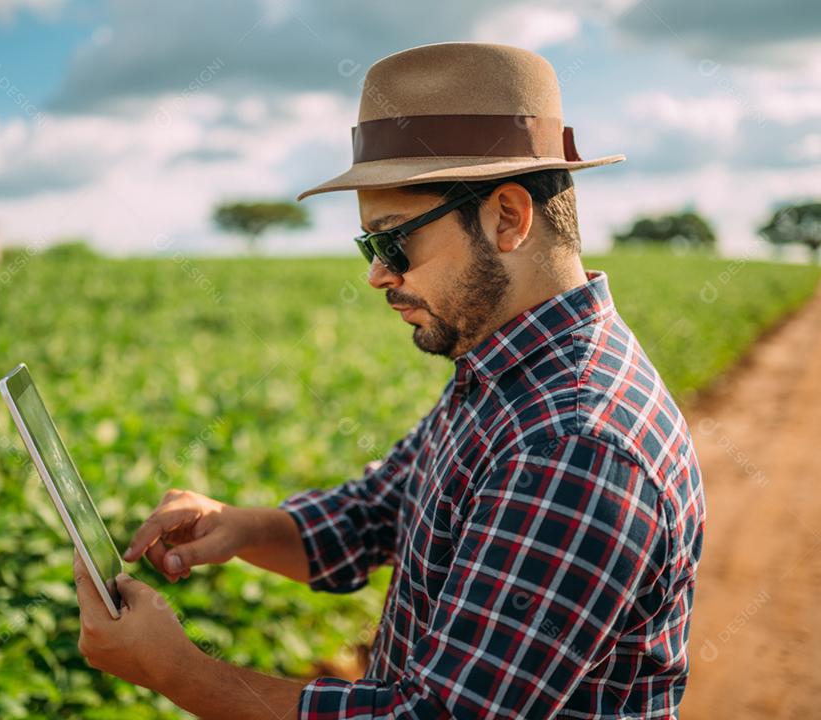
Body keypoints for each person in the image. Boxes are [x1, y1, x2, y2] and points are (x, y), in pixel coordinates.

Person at [73, 41, 706, 719]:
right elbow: (382, 512)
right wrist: (240, 528)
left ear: (508, 218)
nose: (377, 274)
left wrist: (175, 670)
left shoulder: (573, 444)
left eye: (392, 240)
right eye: (368, 246)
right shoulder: (506, 367)